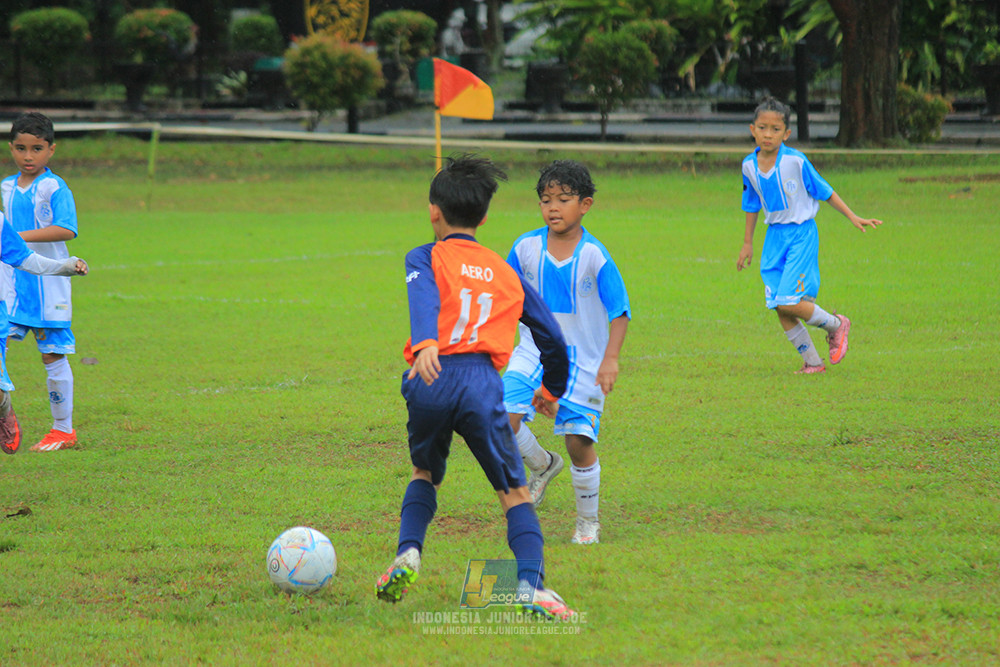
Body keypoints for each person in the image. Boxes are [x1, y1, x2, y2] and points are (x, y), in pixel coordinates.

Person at [375, 154, 577, 621]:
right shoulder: (507, 273)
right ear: (484, 217)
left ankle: (408, 554)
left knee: (424, 473)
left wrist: (427, 343)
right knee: (514, 493)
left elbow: (422, 295)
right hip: (482, 382)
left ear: (433, 211)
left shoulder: (424, 255)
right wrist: (551, 388)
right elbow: (551, 337)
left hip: (431, 376)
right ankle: (531, 586)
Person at [503, 160, 631, 547]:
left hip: (584, 361)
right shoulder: (524, 248)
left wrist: (610, 359)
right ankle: (542, 464)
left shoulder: (595, 255)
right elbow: (504, 296)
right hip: (533, 349)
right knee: (499, 419)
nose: (553, 207)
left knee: (578, 441)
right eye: (546, 200)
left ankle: (587, 523)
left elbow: (620, 311)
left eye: (563, 199)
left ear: (585, 204)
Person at [736, 97, 882, 373]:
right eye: (763, 128)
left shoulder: (795, 161)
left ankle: (837, 325)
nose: (768, 134)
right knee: (780, 308)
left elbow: (824, 190)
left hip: (801, 235)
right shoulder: (748, 166)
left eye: (775, 129)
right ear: (752, 129)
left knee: (790, 301)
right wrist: (747, 243)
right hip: (774, 238)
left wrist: (852, 216)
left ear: (786, 134)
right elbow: (751, 203)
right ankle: (813, 363)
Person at [2, 112, 83, 451]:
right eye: (21, 148)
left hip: (47, 286)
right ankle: (5, 413)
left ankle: (63, 430)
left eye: (36, 149)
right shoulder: (4, 187)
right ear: (11, 149)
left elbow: (67, 228)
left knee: (51, 354)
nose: (28, 156)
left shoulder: (54, 187)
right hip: (9, 284)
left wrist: (12, 238)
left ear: (51, 150)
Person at [0, 208, 89, 455]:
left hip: (17, 303)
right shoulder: (8, 185)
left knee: (51, 354)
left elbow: (26, 258)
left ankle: (5, 409)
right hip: (16, 297)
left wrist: (64, 266)